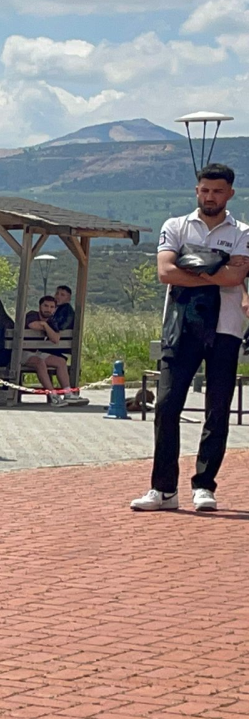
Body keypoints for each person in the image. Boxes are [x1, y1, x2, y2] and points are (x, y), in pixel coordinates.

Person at [132, 163, 249, 513]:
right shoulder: (176, 226)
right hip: (179, 329)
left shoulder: (242, 232)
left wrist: (193, 268)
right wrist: (216, 267)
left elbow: (235, 277)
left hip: (225, 328)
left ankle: (204, 485)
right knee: (167, 406)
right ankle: (163, 489)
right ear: (196, 191)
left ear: (229, 193)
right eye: (204, 190)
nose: (209, 196)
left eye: (217, 191)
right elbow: (166, 272)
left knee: (217, 409)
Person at [23, 296, 87, 407]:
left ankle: (68, 393)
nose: (48, 309)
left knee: (61, 362)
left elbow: (56, 339)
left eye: (52, 307)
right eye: (46, 306)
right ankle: (53, 395)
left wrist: (45, 325)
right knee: (39, 363)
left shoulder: (51, 321)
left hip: (38, 352)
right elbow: (32, 325)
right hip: (22, 353)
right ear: (40, 307)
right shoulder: (32, 315)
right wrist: (44, 325)